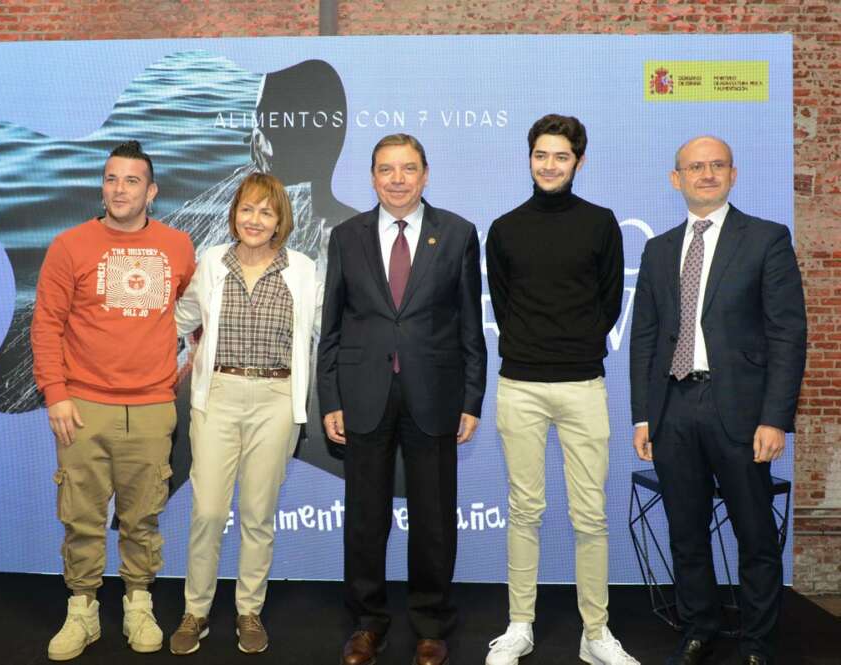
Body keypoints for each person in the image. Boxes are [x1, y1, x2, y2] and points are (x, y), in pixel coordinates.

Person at [629, 136, 806, 665]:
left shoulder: (767, 239)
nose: (706, 174)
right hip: (673, 408)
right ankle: (698, 629)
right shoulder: (658, 249)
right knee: (686, 532)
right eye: (694, 167)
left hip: (741, 413)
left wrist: (775, 418)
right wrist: (644, 416)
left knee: (754, 534)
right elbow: (645, 338)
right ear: (675, 178)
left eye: (716, 165)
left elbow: (787, 334)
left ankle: (756, 642)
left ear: (733, 174)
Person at [318, 133, 486, 665]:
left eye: (408, 168)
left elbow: (469, 325)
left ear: (425, 174)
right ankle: (367, 623)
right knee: (365, 518)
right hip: (363, 393)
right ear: (372, 177)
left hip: (434, 394)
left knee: (434, 517)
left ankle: (431, 624)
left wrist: (472, 397)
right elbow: (333, 325)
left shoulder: (457, 234)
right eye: (386, 169)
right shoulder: (347, 236)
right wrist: (329, 398)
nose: (397, 179)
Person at [484, 114, 638, 665]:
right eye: (541, 155)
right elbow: (502, 306)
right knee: (524, 509)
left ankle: (595, 633)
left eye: (561, 157)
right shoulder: (504, 229)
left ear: (579, 162)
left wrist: (572, 346)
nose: (550, 165)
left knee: (589, 515)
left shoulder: (601, 224)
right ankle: (519, 625)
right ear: (529, 158)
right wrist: (536, 347)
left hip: (583, 386)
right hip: (519, 386)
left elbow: (609, 302)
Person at [32, 140, 195, 660]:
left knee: (142, 516)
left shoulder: (178, 247)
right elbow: (46, 325)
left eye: (130, 181)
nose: (118, 189)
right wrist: (55, 394)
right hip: (83, 407)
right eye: (110, 179)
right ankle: (82, 609)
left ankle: (138, 604)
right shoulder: (69, 245)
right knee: (80, 516)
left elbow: (188, 310)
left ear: (152, 191)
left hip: (151, 407)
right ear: (101, 186)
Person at [166, 172, 321, 656]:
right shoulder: (212, 262)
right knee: (209, 511)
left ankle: (249, 610)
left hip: (276, 401)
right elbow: (179, 320)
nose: (255, 220)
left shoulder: (303, 269)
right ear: (234, 214)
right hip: (219, 397)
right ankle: (196, 612)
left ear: (280, 221)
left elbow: (323, 333)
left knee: (257, 513)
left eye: (266, 212)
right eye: (247, 209)